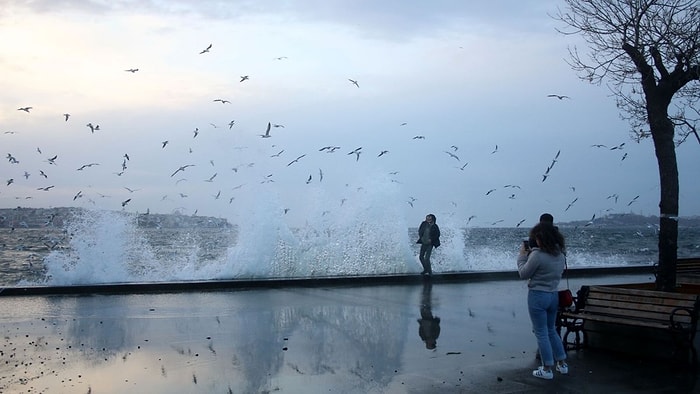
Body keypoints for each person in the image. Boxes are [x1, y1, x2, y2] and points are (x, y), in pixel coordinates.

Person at [517, 222, 569, 380]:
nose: (535, 241)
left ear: (542, 239)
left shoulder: (537, 255)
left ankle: (547, 368)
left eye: (537, 238)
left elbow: (523, 273)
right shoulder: (560, 255)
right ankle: (562, 364)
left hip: (538, 296)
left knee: (541, 332)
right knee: (551, 330)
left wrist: (521, 256)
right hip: (553, 295)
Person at [417, 281, 440, 349]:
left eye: (427, 344)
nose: (428, 342)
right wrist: (433, 322)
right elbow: (437, 327)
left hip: (425, 320)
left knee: (424, 306)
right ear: (433, 342)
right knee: (426, 306)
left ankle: (426, 289)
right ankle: (427, 288)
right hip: (429, 319)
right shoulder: (435, 335)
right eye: (429, 344)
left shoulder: (423, 337)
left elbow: (420, 330)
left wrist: (421, 323)